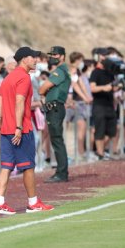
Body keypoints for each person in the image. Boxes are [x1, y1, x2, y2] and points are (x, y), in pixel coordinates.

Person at [0, 46, 54, 215]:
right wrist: (18, 126)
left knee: (6, 166)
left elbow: (0, 104)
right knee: (28, 167)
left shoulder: (8, 78)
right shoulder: (23, 78)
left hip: (5, 129)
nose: (36, 60)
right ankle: (33, 202)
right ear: (25, 59)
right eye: (33, 57)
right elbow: (19, 102)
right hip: (21, 129)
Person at [39, 46, 71, 182]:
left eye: (56, 55)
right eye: (51, 54)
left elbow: (43, 88)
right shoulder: (61, 70)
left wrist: (42, 92)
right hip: (55, 108)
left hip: (55, 108)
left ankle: (61, 173)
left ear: (62, 56)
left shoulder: (60, 70)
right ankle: (61, 171)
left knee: (57, 141)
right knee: (57, 141)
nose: (53, 57)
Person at [89, 48, 121, 160]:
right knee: (99, 131)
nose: (105, 57)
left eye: (106, 55)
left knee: (113, 131)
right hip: (99, 106)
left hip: (109, 105)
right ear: (98, 57)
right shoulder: (95, 72)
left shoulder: (110, 72)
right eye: (103, 55)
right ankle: (100, 154)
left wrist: (118, 88)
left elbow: (113, 87)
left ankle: (100, 151)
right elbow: (92, 88)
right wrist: (104, 88)